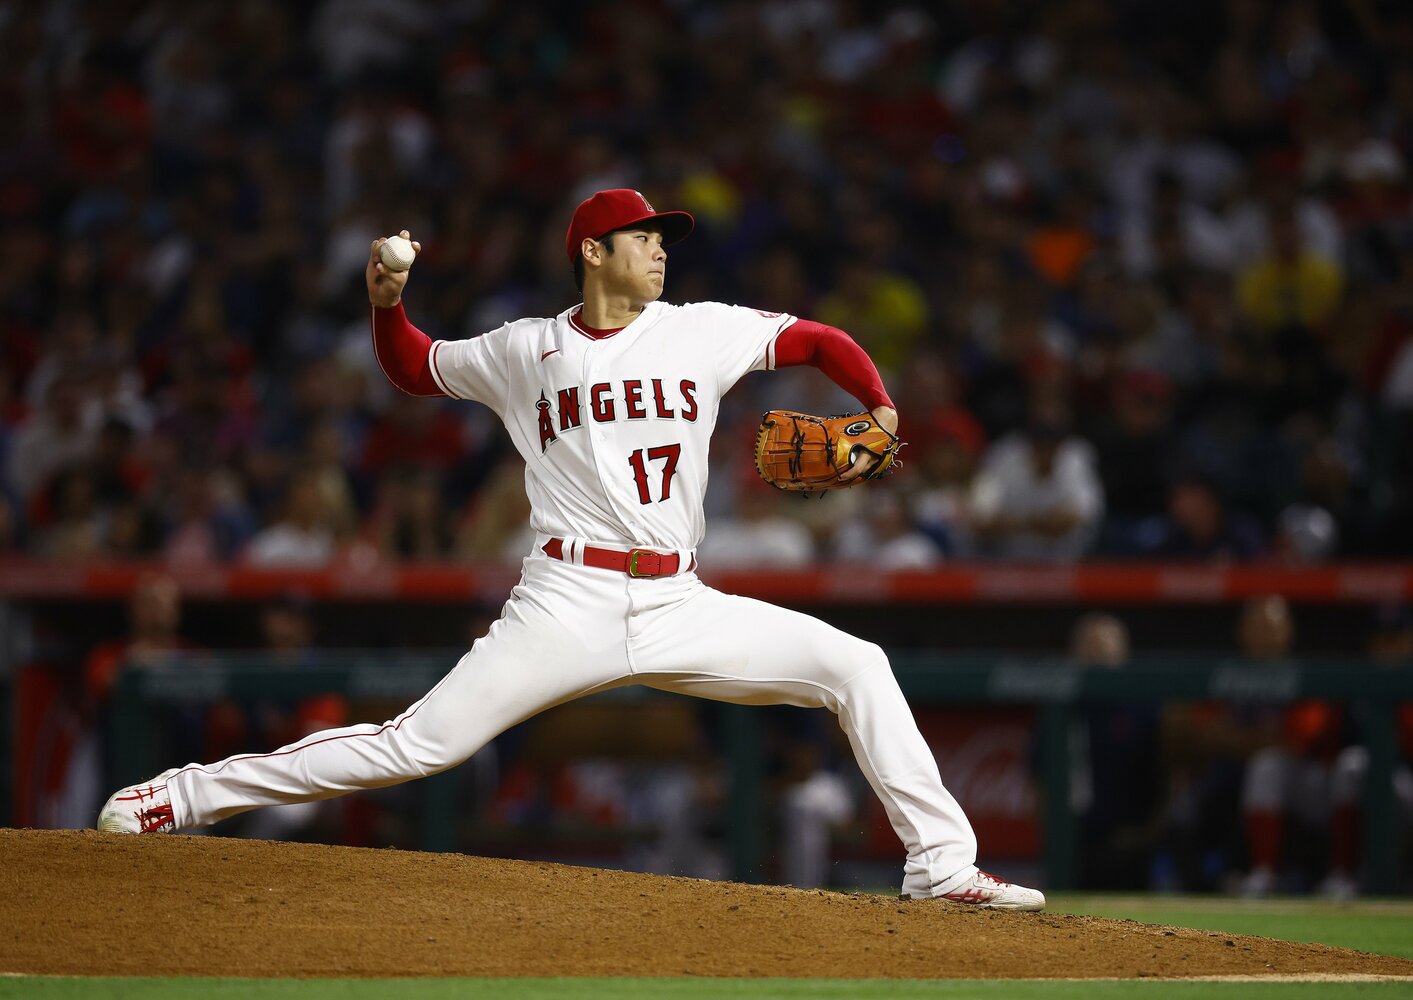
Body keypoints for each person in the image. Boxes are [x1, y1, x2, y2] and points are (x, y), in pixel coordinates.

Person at [98, 189, 1045, 911]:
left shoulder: (701, 330)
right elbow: (414, 368)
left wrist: (879, 405)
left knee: (857, 664)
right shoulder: (524, 350)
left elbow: (822, 341)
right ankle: (176, 797)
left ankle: (942, 867)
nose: (661, 249)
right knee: (417, 746)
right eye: (644, 237)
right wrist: (387, 302)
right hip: (564, 600)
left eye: (664, 237)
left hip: (680, 601)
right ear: (595, 252)